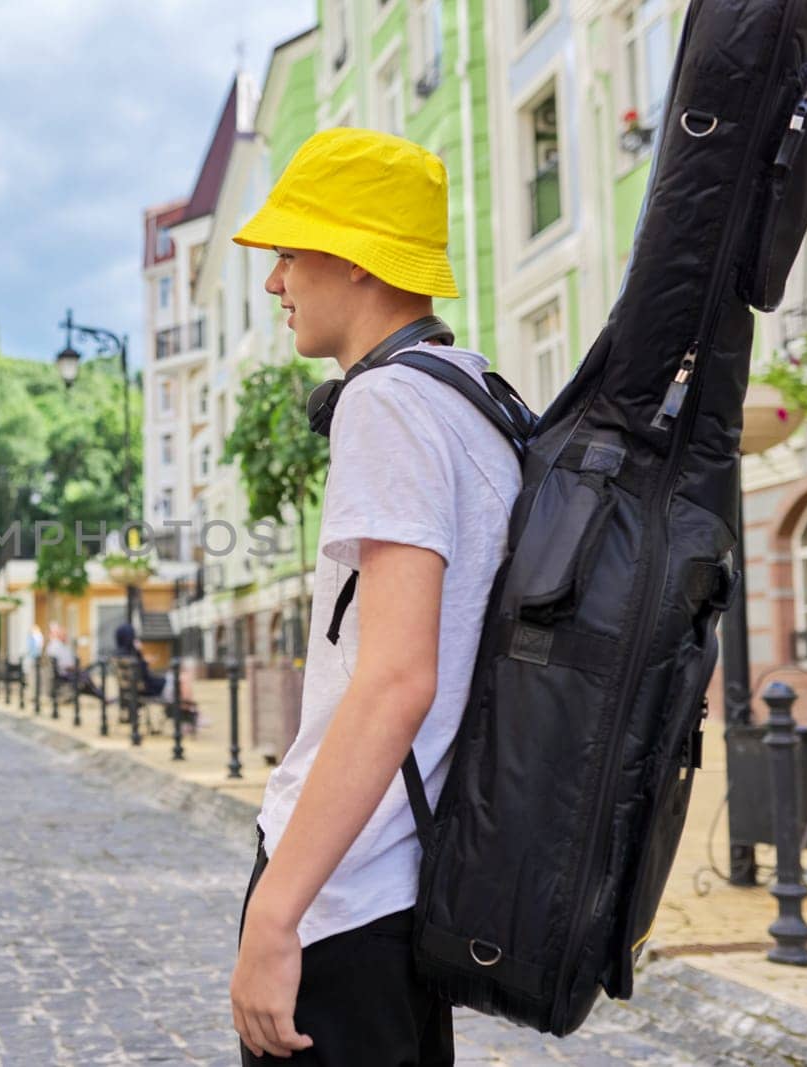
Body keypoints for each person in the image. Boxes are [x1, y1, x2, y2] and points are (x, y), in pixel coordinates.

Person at [226, 128, 522, 1064]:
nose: (275, 281)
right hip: (406, 877)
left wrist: (276, 914)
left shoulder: (386, 402)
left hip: (346, 890)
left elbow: (397, 678)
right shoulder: (478, 393)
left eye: (287, 251)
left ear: (352, 258)